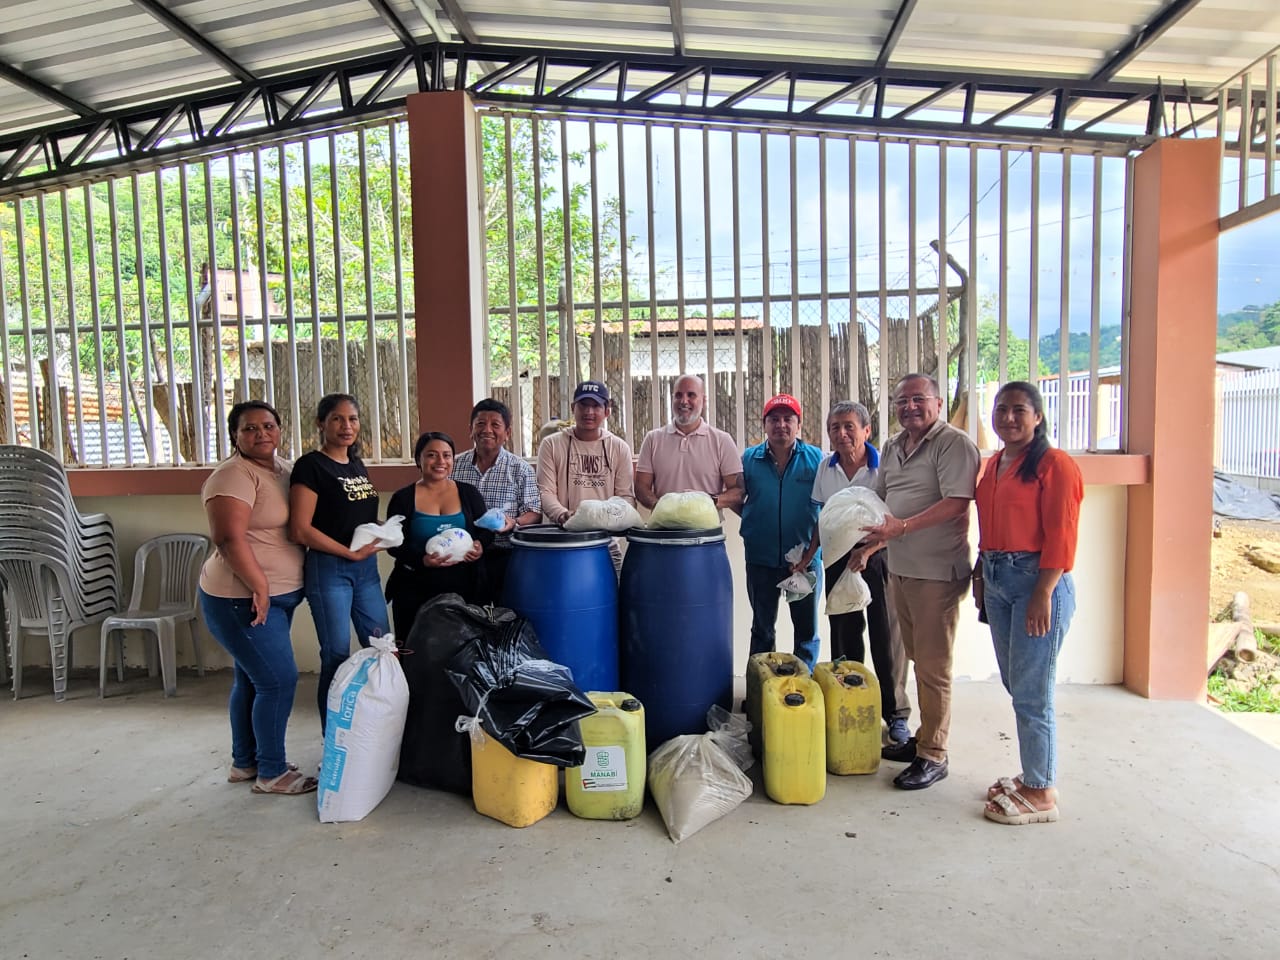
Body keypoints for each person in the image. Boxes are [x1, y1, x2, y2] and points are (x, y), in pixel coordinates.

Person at [858, 373, 981, 791]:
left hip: (936, 574)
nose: (909, 407)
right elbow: (882, 505)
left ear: (938, 403)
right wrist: (869, 546)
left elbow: (957, 502)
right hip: (900, 569)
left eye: (918, 399)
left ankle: (934, 754)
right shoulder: (893, 446)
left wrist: (904, 527)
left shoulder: (953, 444)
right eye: (901, 401)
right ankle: (923, 738)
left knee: (933, 666)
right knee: (913, 657)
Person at [975, 381, 1082, 825]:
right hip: (998, 578)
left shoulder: (1055, 465)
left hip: (1037, 583)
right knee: (1016, 683)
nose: (1008, 418)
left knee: (1033, 693)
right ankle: (1034, 772)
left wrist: (1043, 592)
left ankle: (1041, 790)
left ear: (1038, 416)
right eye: (1001, 409)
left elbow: (1062, 533)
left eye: (1019, 410)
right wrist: (981, 575)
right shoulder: (996, 463)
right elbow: (988, 523)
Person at [197, 400, 315, 795]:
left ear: (280, 430)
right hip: (240, 598)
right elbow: (227, 538)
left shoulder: (283, 469)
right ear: (235, 436)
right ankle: (272, 773)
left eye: (268, 426)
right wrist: (260, 586)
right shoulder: (232, 475)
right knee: (278, 680)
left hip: (278, 596)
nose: (261, 434)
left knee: (252, 678)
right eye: (249, 428)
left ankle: (246, 762)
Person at [799, 400, 911, 745]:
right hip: (837, 558)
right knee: (844, 632)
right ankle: (848, 701)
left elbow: (895, 520)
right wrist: (809, 556)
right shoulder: (826, 467)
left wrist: (869, 551)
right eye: (835, 427)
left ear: (866, 430)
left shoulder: (882, 467)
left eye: (849, 426)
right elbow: (824, 518)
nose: (842, 434)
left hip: (878, 555)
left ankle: (895, 714)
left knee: (886, 634)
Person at [288, 393, 389, 734]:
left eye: (353, 419)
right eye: (337, 419)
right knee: (336, 654)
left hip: (365, 570)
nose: (347, 426)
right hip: (330, 569)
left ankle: (375, 730)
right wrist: (348, 553)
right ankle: (333, 737)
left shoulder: (356, 465)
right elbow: (300, 529)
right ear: (321, 424)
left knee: (382, 646)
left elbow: (356, 517)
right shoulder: (311, 466)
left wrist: (383, 531)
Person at [734, 393, 824, 672]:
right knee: (762, 628)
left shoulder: (816, 459)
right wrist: (752, 520)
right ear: (764, 425)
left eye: (788, 419)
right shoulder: (749, 459)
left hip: (804, 561)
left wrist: (810, 553)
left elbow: (827, 507)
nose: (781, 425)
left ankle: (803, 685)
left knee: (806, 630)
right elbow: (737, 496)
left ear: (799, 425)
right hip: (761, 558)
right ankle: (761, 685)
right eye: (774, 419)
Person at [385, 431, 494, 640]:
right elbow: (393, 544)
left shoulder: (468, 493)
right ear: (419, 459)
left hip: (465, 588)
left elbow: (486, 530)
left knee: (463, 650)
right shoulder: (403, 498)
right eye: (431, 455)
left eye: (446, 455)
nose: (440, 461)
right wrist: (422, 559)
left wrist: (480, 545)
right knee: (416, 648)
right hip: (415, 588)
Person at [451, 398, 541, 604]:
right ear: (471, 430)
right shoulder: (454, 465)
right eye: (480, 424)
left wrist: (514, 522)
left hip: (504, 555)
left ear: (507, 433)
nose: (487, 430)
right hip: (462, 556)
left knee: (502, 613)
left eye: (495, 425)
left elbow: (534, 512)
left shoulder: (520, 469)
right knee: (463, 614)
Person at [536, 380, 635, 565]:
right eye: (583, 405)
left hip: (605, 546)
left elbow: (625, 497)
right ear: (573, 408)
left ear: (607, 411)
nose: (589, 412)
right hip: (561, 543)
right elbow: (545, 492)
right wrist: (563, 515)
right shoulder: (551, 444)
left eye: (596, 406)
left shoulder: (619, 448)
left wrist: (610, 520)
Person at [634, 373, 743, 513]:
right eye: (678, 395)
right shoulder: (652, 439)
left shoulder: (722, 441)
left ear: (704, 400)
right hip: (663, 524)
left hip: (706, 525)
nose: (684, 401)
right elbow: (641, 487)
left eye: (691, 395)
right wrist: (661, 507)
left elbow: (738, 491)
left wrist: (709, 502)